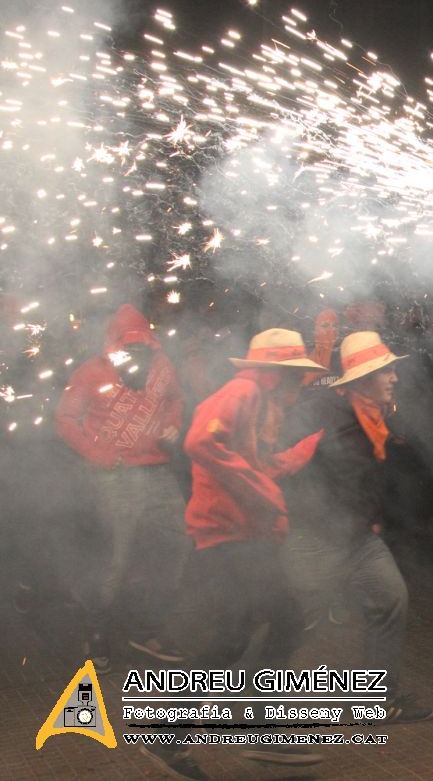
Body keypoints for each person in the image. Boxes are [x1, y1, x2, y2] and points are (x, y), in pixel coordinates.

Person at [142, 329, 326, 777]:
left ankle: (167, 738)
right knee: (286, 617)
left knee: (231, 639)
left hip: (237, 535)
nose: (301, 384)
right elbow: (200, 444)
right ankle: (270, 736)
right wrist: (264, 491)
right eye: (297, 374)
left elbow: (256, 465)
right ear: (275, 373)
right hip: (229, 537)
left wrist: (300, 454)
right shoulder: (242, 391)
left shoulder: (262, 405)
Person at [284, 331, 433, 723]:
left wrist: (369, 517)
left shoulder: (367, 416)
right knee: (294, 625)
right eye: (387, 372)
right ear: (365, 379)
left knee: (390, 599)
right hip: (319, 540)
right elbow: (294, 471)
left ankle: (379, 703)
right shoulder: (331, 419)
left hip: (356, 537)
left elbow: (362, 479)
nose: (394, 378)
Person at [54, 303, 186, 670]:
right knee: (115, 557)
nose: (137, 353)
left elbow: (175, 398)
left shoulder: (162, 367)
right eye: (130, 347)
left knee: (175, 547)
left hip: (157, 472)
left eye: (142, 346)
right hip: (113, 475)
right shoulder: (90, 372)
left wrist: (173, 422)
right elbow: (65, 417)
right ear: (114, 346)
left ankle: (146, 629)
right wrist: (92, 450)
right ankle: (95, 633)